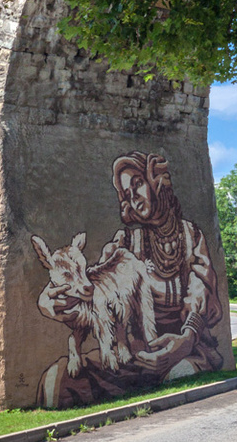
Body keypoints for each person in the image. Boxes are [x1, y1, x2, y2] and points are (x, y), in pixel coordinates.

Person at [37, 151, 226, 407]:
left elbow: (201, 291)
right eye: (127, 194)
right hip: (134, 352)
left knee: (181, 374)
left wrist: (184, 342)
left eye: (137, 184)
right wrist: (52, 299)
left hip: (185, 347)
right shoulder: (124, 242)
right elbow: (97, 286)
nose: (133, 196)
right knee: (57, 381)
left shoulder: (191, 236)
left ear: (156, 180)